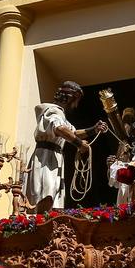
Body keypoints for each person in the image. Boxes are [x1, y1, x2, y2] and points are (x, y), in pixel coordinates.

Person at [26, 80, 107, 210]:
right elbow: (60, 129)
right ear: (70, 98)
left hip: (54, 158)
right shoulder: (53, 111)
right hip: (45, 159)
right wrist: (79, 144)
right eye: (76, 101)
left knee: (53, 192)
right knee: (45, 193)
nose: (75, 106)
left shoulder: (60, 115)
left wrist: (93, 129)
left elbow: (72, 132)